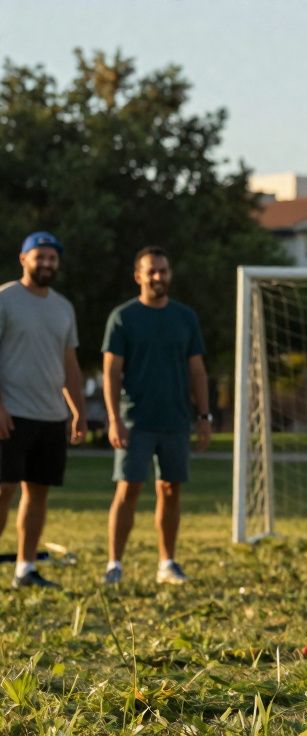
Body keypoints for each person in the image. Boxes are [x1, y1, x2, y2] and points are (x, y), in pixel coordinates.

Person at [102, 246, 211, 585]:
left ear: (170, 274)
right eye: (151, 271)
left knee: (170, 489)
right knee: (128, 488)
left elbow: (197, 371)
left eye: (163, 270)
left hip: (175, 419)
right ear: (138, 276)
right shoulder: (123, 317)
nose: (158, 277)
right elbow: (111, 373)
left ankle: (167, 563)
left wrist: (203, 416)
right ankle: (114, 565)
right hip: (135, 420)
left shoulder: (185, 317)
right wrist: (114, 419)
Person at [0, 231, 88, 589]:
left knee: (38, 492)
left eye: (52, 258)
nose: (47, 263)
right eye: (40, 256)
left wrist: (78, 410)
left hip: (51, 415)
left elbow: (69, 363)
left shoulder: (63, 307)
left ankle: (25, 569)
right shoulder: (5, 298)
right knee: (3, 489)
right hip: (11, 412)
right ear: (24, 259)